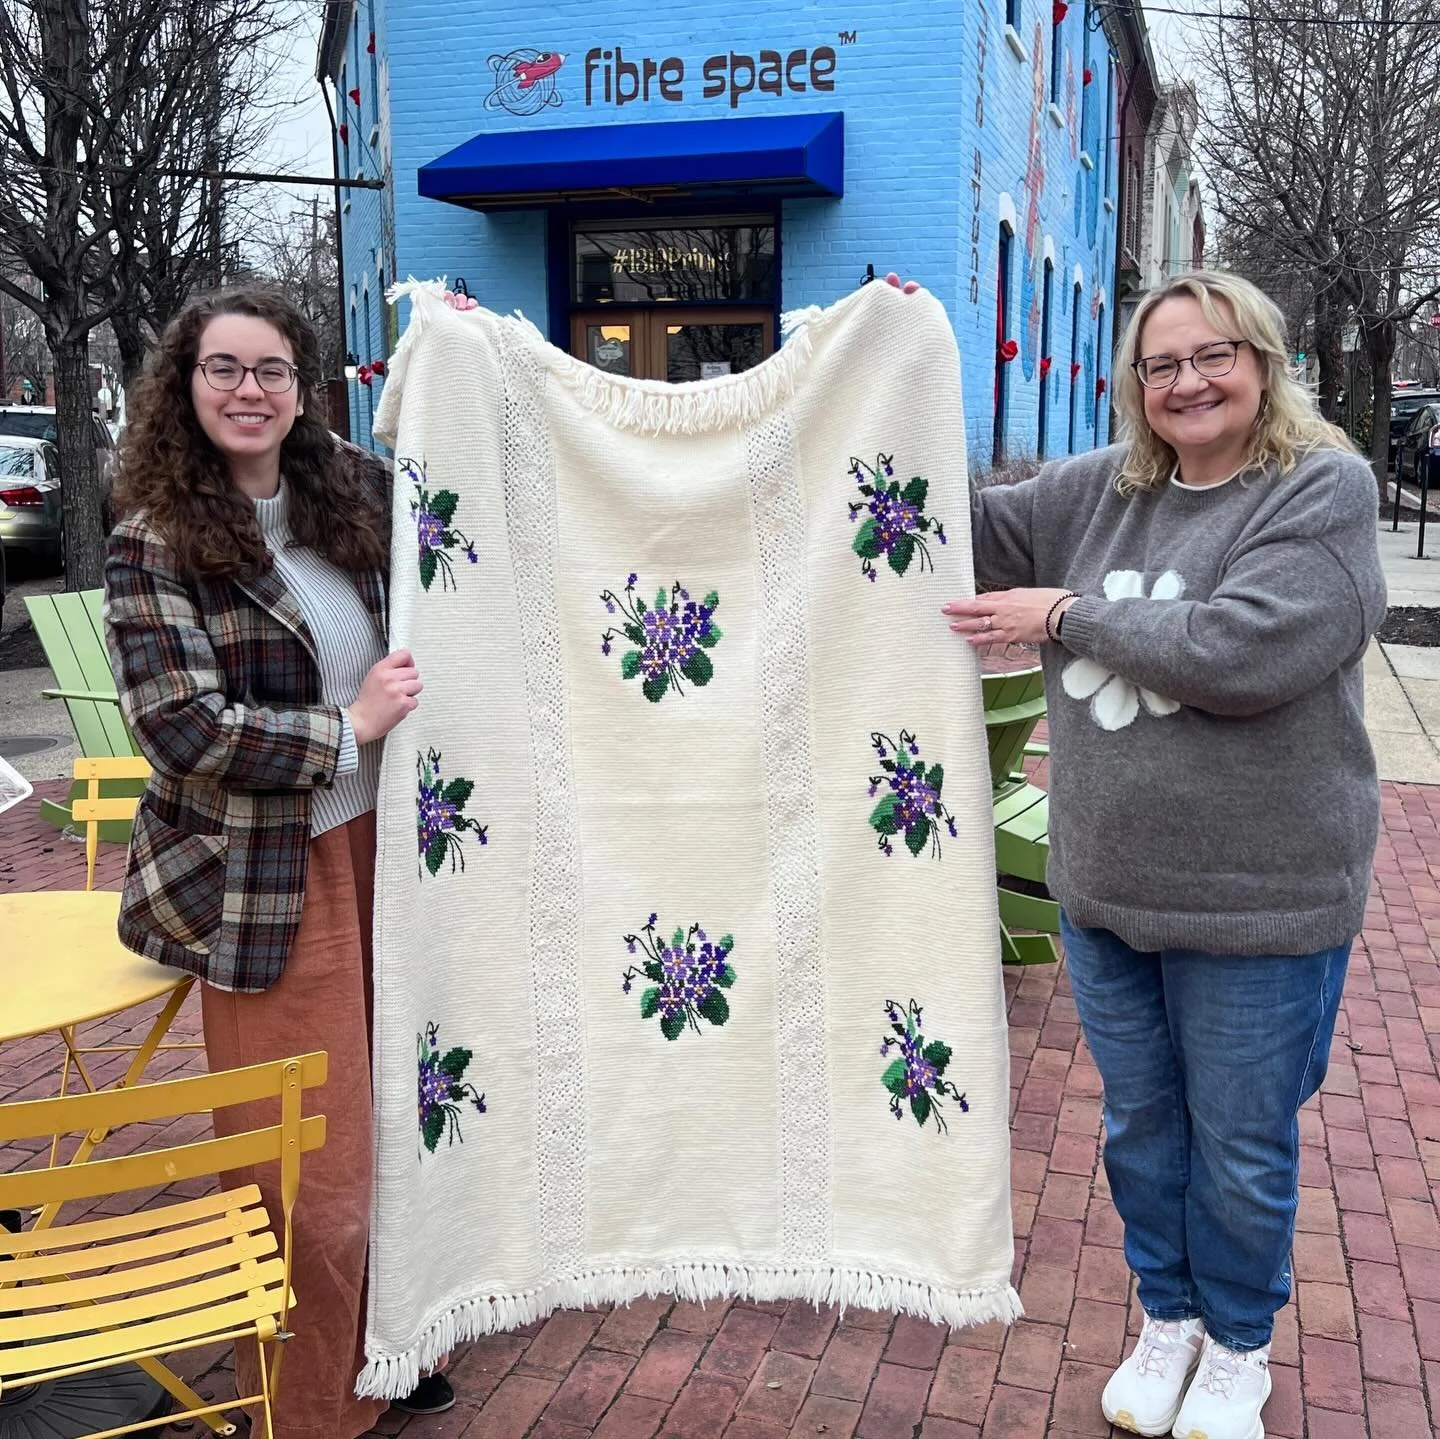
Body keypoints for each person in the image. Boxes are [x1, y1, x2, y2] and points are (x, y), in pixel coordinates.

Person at [930, 270, 1384, 1439]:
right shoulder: (1096, 490)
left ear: (1264, 363)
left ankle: (1238, 1343)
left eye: (1214, 354)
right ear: (1135, 384)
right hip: (1109, 890)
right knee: (1141, 1128)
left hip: (1260, 900)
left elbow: (1246, 650)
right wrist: (877, 369)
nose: (1189, 381)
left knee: (1239, 1141)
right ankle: (1169, 1315)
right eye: (1162, 363)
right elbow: (930, 520)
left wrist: (1063, 613)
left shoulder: (1321, 487)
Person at [104, 287, 447, 1437]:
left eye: (272, 369)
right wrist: (349, 727)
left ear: (304, 387)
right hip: (266, 881)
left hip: (395, 850)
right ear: (186, 383)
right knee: (308, 1177)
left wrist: (463, 349)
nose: (248, 389)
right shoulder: (154, 538)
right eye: (224, 367)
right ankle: (311, 1405)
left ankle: (393, 1344)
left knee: (408, 1121)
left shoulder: (352, 491)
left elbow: (492, 498)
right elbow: (180, 727)